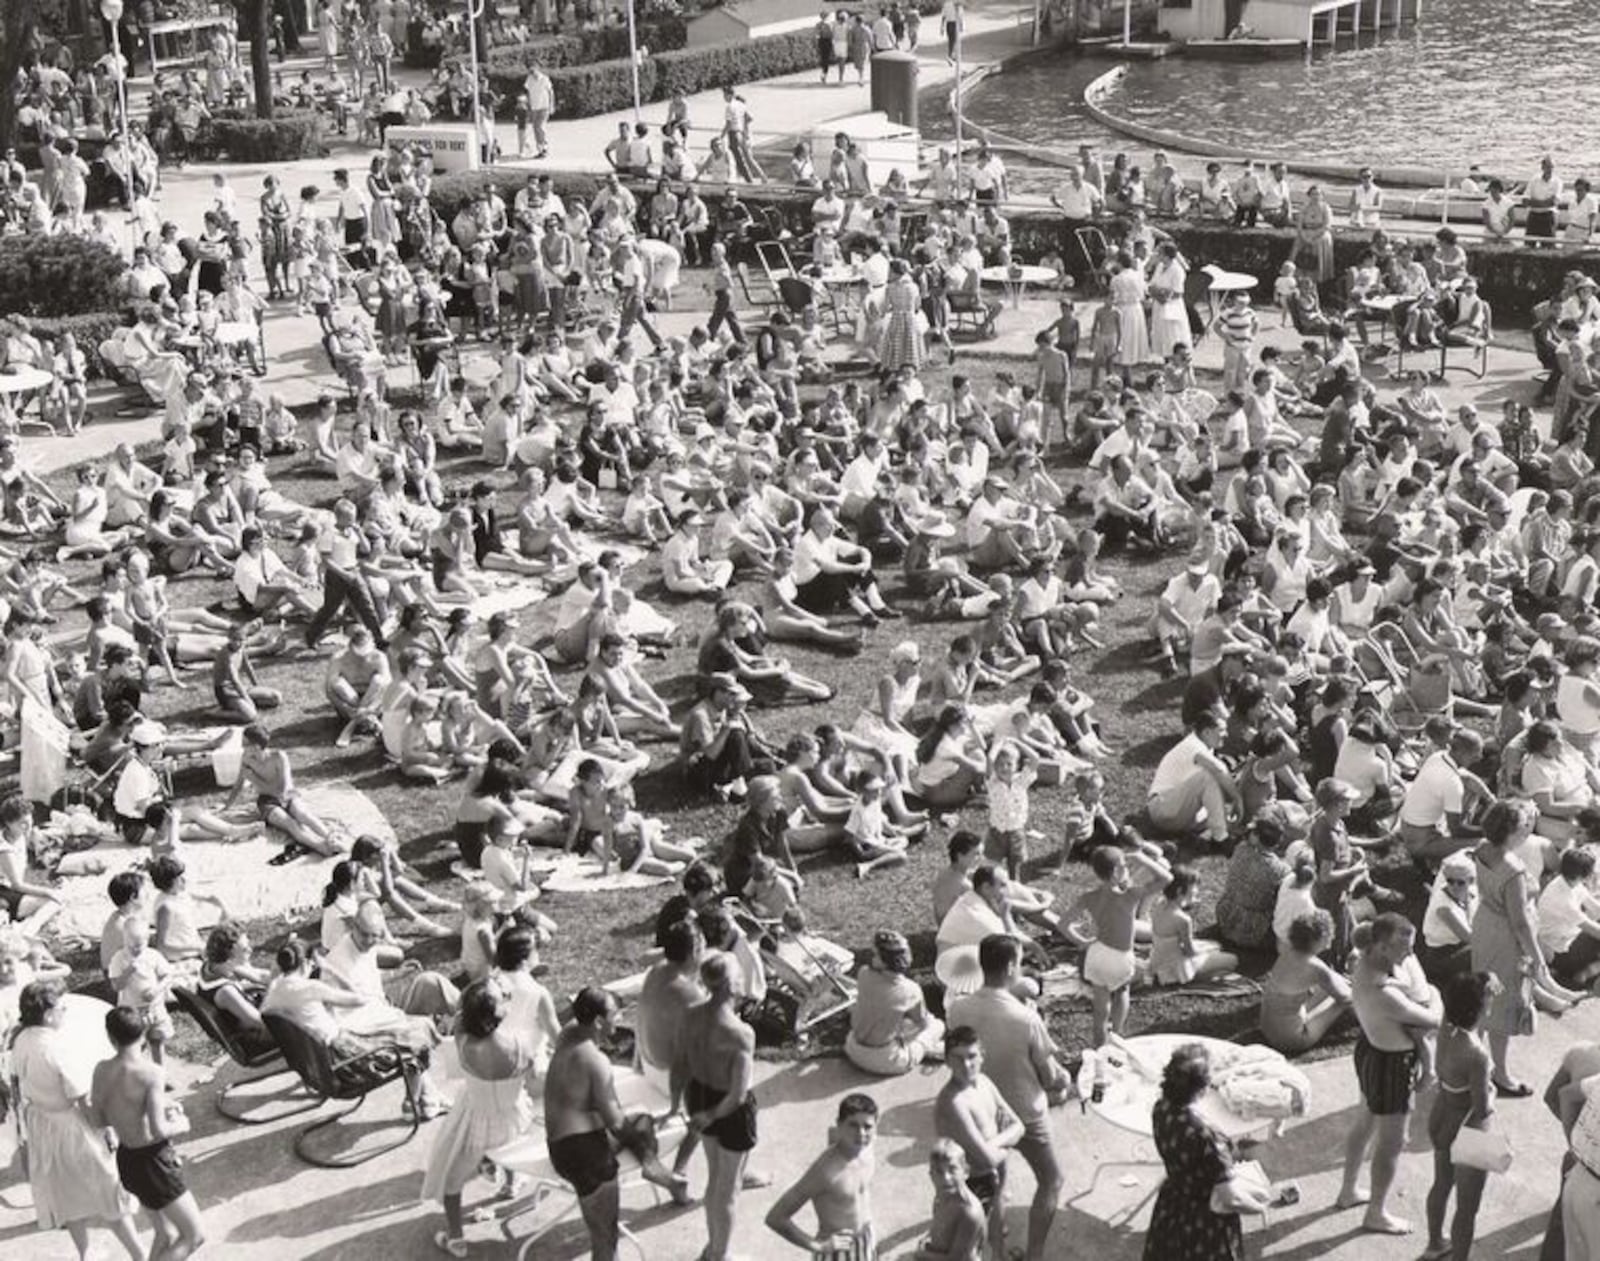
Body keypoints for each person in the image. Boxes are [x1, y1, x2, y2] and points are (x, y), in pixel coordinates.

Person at [946, 934, 1071, 1261]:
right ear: (1012, 967)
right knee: (1051, 1180)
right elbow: (1049, 1076)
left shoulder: (957, 1009)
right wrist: (1064, 1079)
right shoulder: (1026, 1018)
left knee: (995, 1182)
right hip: (1024, 1113)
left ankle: (998, 1253)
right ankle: (1034, 1255)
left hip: (980, 1111)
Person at [545, 986, 685, 1261]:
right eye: (614, 1014)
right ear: (598, 1021)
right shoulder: (595, 1060)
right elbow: (615, 1123)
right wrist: (642, 1141)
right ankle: (653, 1167)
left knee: (641, 1118)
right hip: (587, 1159)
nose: (619, 1018)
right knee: (606, 1238)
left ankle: (652, 1167)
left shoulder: (567, 1036)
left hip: (561, 1147)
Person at [10, 980, 143, 1261]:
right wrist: (106, 1130)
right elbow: (83, 1098)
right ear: (48, 1015)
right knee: (109, 1190)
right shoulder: (57, 1049)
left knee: (66, 1193)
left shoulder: (20, 1040)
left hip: (41, 1125)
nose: (65, 1012)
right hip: (71, 1126)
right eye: (62, 1008)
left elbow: (16, 1083)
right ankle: (139, 1254)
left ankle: (85, 1252)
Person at [1338, 912, 1442, 1236]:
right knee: (1393, 1142)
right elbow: (1432, 1019)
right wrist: (1436, 994)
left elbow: (1393, 979)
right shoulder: (1384, 994)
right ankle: (1376, 1212)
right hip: (1391, 1065)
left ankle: (1348, 1190)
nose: (1410, 955)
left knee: (1364, 1122)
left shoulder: (1363, 963)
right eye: (1403, 949)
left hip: (1370, 1050)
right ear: (1381, 946)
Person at [421, 980, 537, 1258]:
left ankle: (456, 1238)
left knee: (452, 1180)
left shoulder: (465, 1044)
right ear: (498, 1014)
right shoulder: (522, 1044)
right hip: (514, 1118)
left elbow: (460, 1021)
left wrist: (472, 1007)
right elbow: (531, 1082)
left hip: (476, 1121)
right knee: (508, 1140)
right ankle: (510, 1183)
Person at [90, 1005, 206, 1261]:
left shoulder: (101, 1070)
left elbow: (98, 1119)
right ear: (143, 1036)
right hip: (155, 1164)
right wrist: (181, 1123)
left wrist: (153, 1107)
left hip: (128, 1160)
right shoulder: (151, 1073)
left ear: (111, 1038)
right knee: (194, 1236)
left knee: (165, 1233)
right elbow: (158, 1130)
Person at [678, 950, 759, 1261]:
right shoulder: (740, 1033)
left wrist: (687, 1109)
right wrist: (712, 1114)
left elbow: (682, 1062)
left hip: (700, 1094)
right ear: (731, 984)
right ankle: (718, 1254)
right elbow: (738, 1094)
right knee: (728, 1189)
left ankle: (713, 1246)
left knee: (715, 1178)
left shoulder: (690, 1014)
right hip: (727, 1108)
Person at [1144, 1043, 1245, 1261]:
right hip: (1206, 1221)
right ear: (1203, 1088)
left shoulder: (1161, 1109)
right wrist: (1259, 1204)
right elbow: (1230, 1197)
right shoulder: (1208, 1136)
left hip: (1173, 1204)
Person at [1421, 971, 1497, 1261]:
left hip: (1441, 1119)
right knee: (1468, 1209)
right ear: (1479, 1006)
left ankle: (1434, 1244)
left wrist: (1481, 984)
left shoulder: (1446, 1029)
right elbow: (1481, 1108)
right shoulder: (1478, 1055)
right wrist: (1492, 1093)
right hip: (1470, 1130)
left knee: (1441, 1184)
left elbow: (1460, 1002)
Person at [1068, 842, 1172, 1044]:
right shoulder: (1130, 896)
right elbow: (1167, 878)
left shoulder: (1088, 897)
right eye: (1125, 865)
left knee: (1100, 1008)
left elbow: (1063, 924)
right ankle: (1115, 1036)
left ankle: (1099, 1047)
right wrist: (1141, 857)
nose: (1128, 868)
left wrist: (1082, 942)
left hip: (1097, 955)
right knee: (1123, 991)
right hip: (1120, 958)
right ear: (1116, 872)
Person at [934, 1023, 1023, 1259]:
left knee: (997, 1227)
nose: (966, 1065)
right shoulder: (953, 1102)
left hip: (993, 1176)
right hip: (966, 1186)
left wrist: (993, 1145)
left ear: (982, 1056)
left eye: (972, 1056)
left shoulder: (984, 1082)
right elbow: (987, 1157)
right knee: (967, 1251)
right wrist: (1006, 1143)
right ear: (946, 1061)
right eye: (958, 1058)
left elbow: (1019, 1125)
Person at [765, 1094, 880, 1258]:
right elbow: (776, 1217)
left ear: (876, 1125)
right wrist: (817, 1245)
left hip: (865, 1240)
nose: (861, 1133)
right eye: (853, 1125)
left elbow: (834, 1134)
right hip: (838, 1252)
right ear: (839, 1124)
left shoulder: (867, 1149)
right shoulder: (824, 1171)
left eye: (867, 1126)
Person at [845, 929, 944, 1076]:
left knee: (900, 1024)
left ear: (883, 961)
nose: (871, 956)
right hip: (886, 1060)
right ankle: (932, 1050)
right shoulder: (910, 990)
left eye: (875, 954)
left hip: (852, 1047)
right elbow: (922, 1023)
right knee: (936, 1026)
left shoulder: (863, 973)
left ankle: (922, 1048)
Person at [1260, 910, 1353, 1055]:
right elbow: (1346, 998)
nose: (1333, 937)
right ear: (1320, 939)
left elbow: (1332, 979)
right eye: (1330, 934)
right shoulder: (1316, 967)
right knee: (1344, 999)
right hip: (1291, 1039)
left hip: (1267, 1028)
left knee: (1333, 986)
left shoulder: (1287, 951)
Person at [915, 1139, 986, 1261]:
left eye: (952, 1169)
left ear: (966, 1172)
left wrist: (922, 1255)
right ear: (931, 1175)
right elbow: (940, 1222)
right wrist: (929, 1235)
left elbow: (957, 1259)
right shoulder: (942, 1195)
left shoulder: (969, 1212)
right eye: (938, 1171)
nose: (945, 1178)